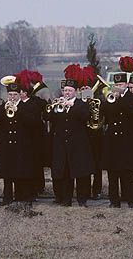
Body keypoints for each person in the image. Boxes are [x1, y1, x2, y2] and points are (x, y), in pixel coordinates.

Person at [0, 80, 39, 206]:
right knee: (7, 173)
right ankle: (7, 198)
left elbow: (33, 123)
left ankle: (22, 197)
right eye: (10, 95)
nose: (12, 97)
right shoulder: (3, 106)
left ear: (20, 95)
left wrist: (18, 111)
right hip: (7, 145)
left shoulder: (27, 106)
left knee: (21, 172)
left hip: (22, 145)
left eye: (15, 95)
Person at [48, 78, 94, 207]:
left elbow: (86, 117)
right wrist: (55, 108)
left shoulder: (81, 104)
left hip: (78, 145)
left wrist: (72, 106)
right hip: (62, 144)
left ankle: (82, 200)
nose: (67, 93)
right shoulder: (59, 104)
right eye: (65, 90)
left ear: (75, 92)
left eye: (70, 90)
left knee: (81, 174)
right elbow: (49, 118)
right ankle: (66, 199)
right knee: (65, 174)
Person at [100, 73, 133, 208]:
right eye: (116, 85)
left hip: (126, 140)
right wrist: (108, 100)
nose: (118, 88)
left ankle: (131, 200)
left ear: (126, 85)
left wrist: (120, 98)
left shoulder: (132, 97)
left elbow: (131, 111)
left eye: (121, 85)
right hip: (112, 140)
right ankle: (113, 201)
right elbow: (104, 113)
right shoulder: (111, 98)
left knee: (128, 173)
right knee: (113, 173)